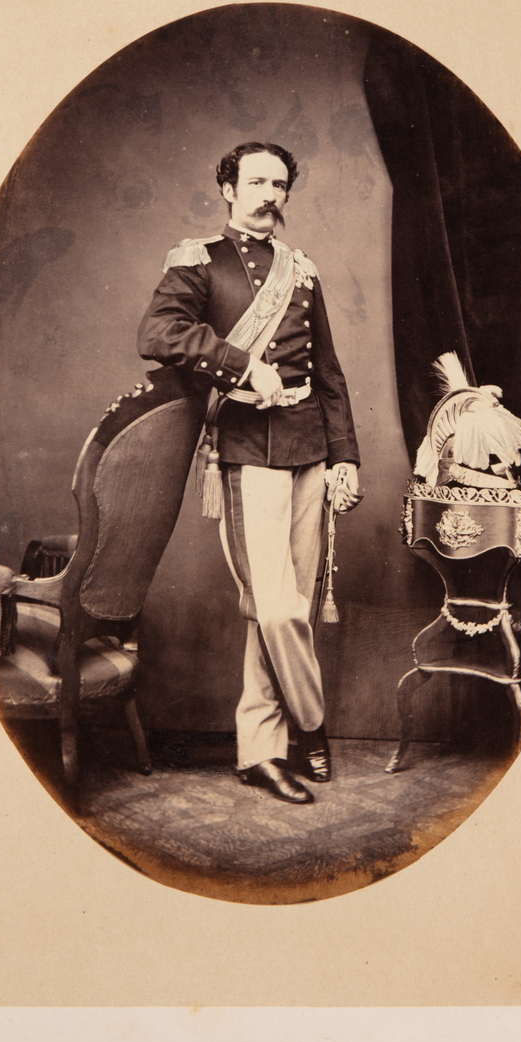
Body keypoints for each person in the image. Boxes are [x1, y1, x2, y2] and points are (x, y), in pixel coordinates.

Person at [137, 142, 361, 804]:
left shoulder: (303, 269)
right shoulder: (198, 261)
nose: (269, 194)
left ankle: (260, 752)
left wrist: (345, 455)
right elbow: (158, 333)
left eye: (279, 184)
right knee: (277, 605)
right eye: (256, 181)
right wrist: (242, 366)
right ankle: (312, 725)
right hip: (247, 448)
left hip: (309, 447)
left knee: (289, 606)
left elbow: (328, 371)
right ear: (229, 189)